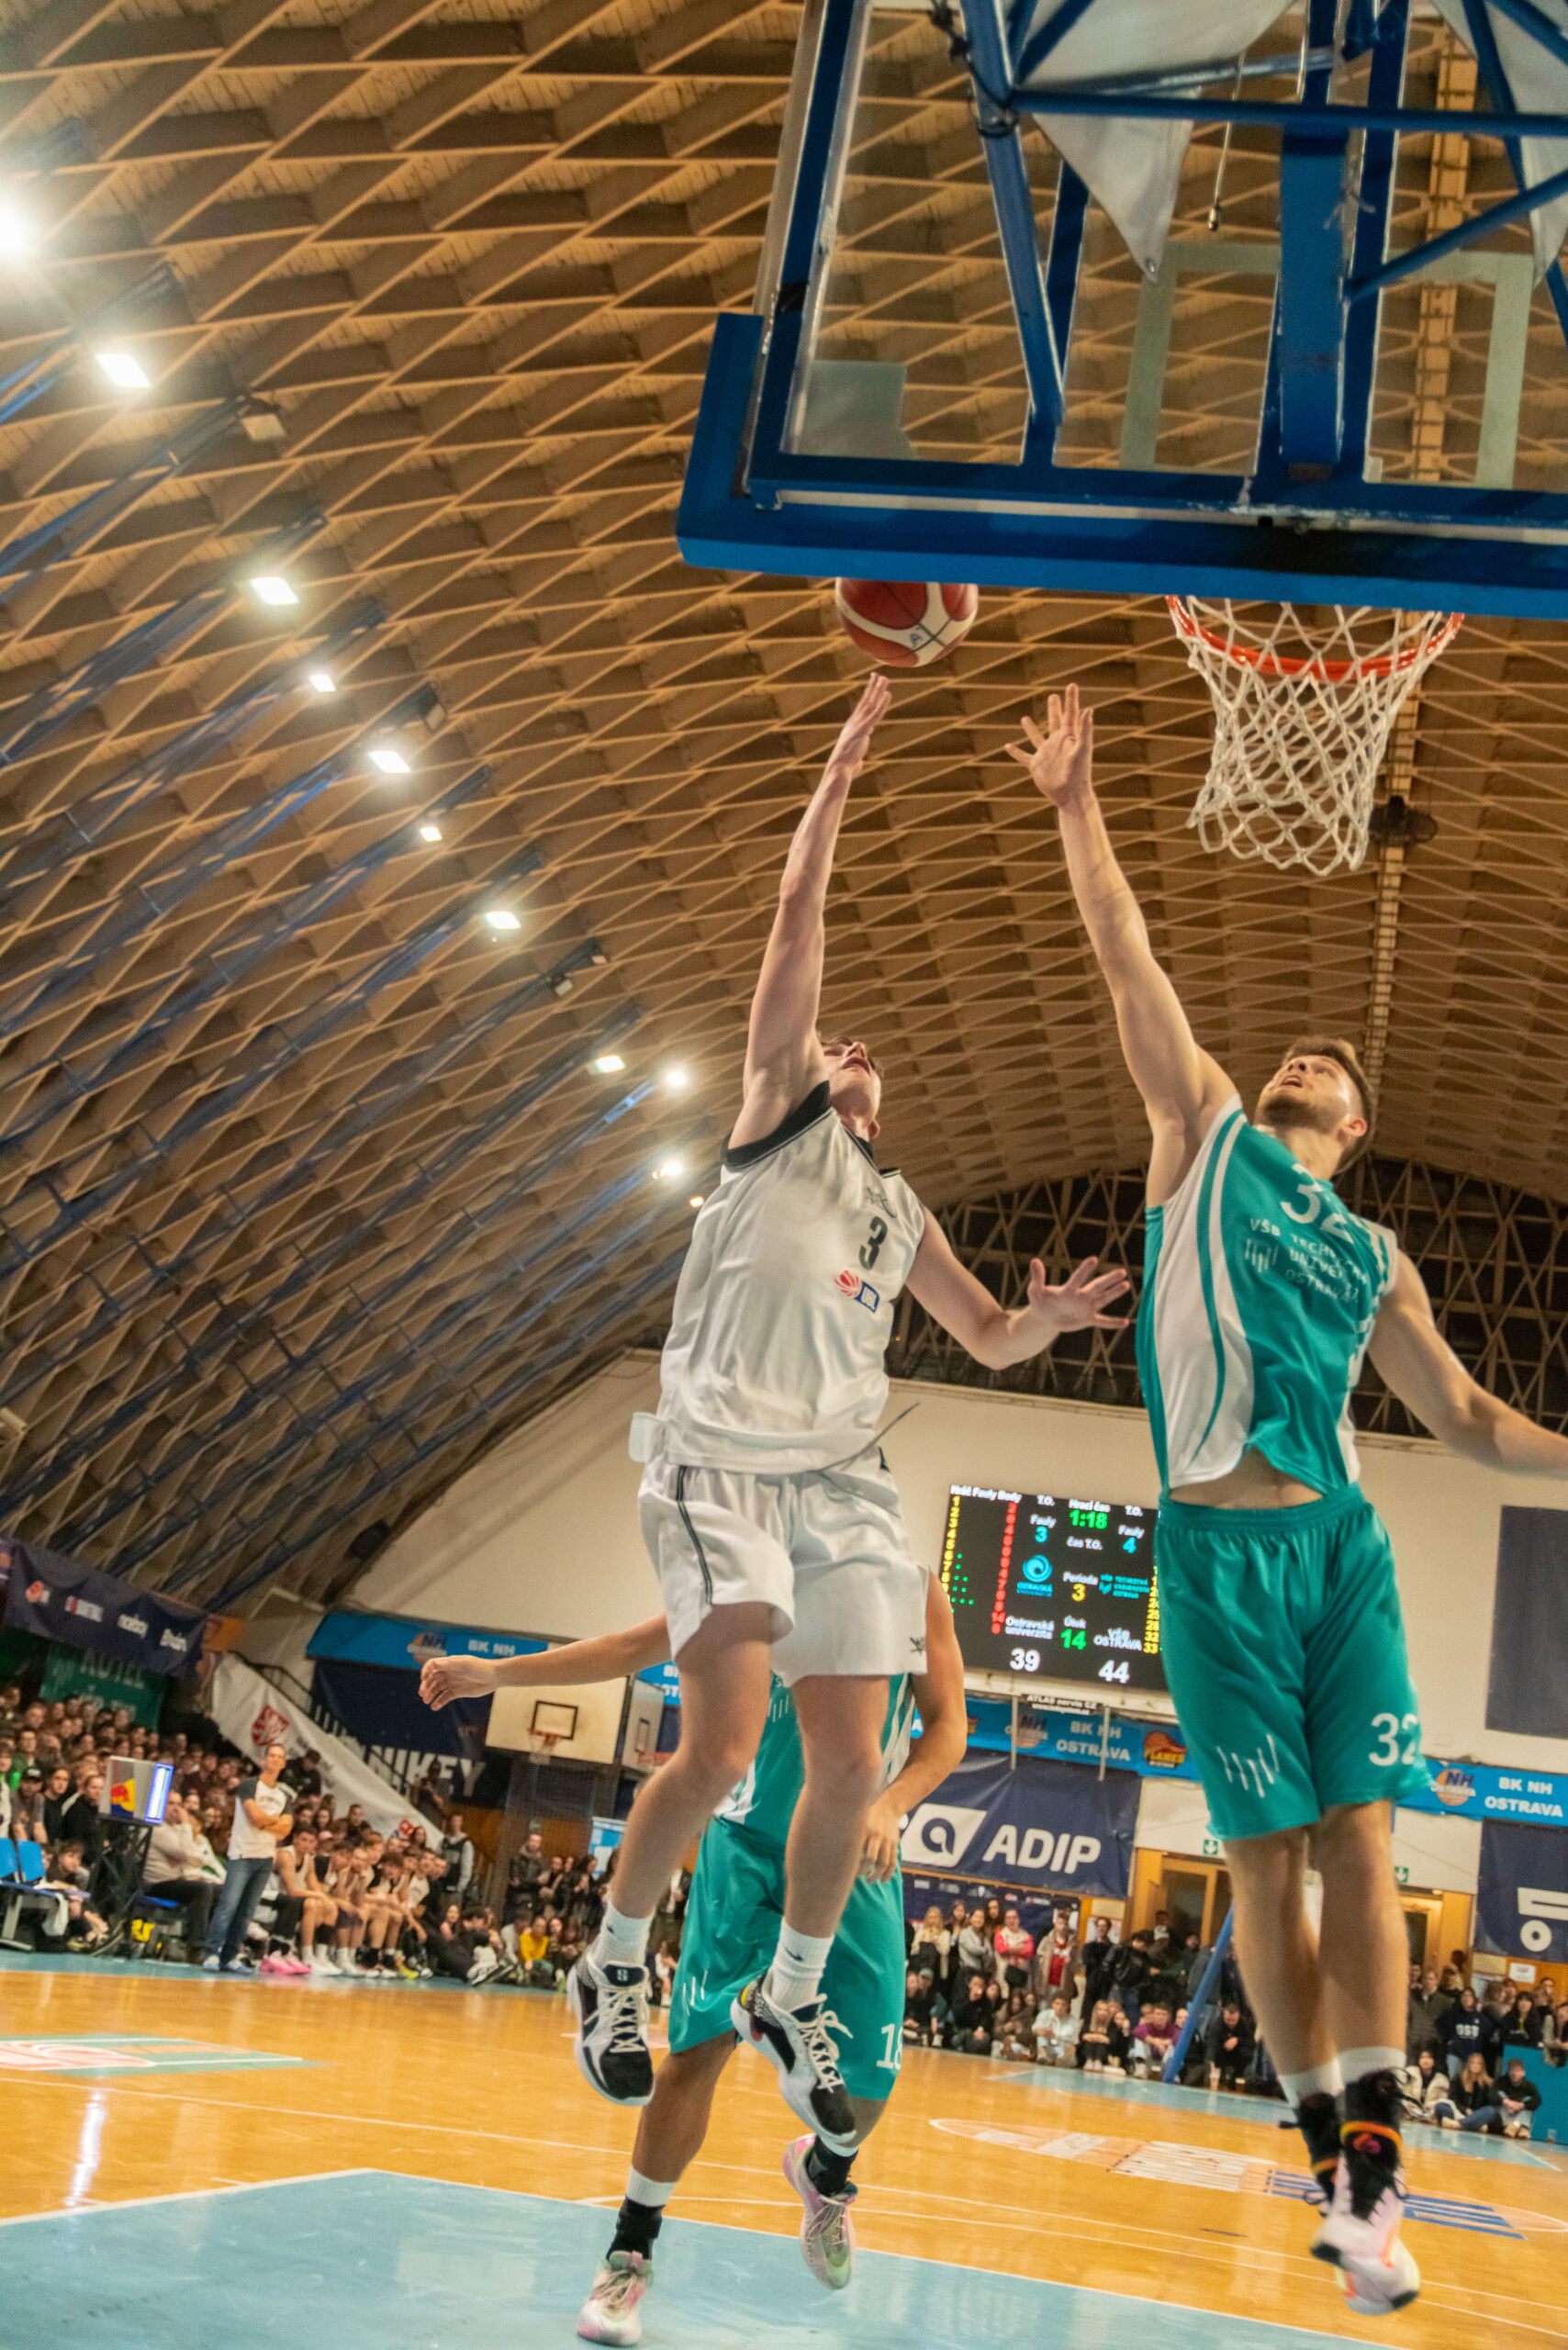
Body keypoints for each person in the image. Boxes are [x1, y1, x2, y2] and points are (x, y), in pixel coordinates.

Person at [1015, 680, 1568, 2319]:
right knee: (1265, 1867)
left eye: (1325, 1063)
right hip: (1209, 1554)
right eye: (1289, 1053)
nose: (1298, 1056)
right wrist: (1074, 810)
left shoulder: (1376, 1253)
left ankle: (1375, 2177)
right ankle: (1328, 2149)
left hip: (1338, 1553)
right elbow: (1129, 962)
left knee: (1363, 1839)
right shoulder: (1199, 1138)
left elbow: (1467, 1417)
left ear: (1358, 1124)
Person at [521, 677, 1128, 2144]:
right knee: (728, 1751)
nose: (853, 1048)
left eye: (869, 1054)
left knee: (853, 1762)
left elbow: (986, 1336)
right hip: (721, 1463)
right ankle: (612, 1962)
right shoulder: (771, 1126)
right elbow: (797, 921)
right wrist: (841, 773)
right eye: (838, 1043)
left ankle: (794, 1997)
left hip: (844, 1477)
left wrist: (1045, 1322)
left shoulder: (900, 1208)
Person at [425, 1569, 967, 2346]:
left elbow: (949, 1726)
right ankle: (629, 2253)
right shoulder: (752, 1572)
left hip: (853, 1857)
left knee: (866, 2095)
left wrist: (890, 1803)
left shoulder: (910, 1588)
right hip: (743, 1854)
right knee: (692, 2058)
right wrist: (497, 1675)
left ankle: (823, 2173)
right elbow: (632, 1646)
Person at [204, 1742, 294, 1972]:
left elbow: (286, 1829)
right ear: (264, 1760)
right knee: (228, 1905)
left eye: (279, 1756)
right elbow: (253, 1816)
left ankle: (230, 1956)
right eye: (271, 1755)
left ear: (283, 1763)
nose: (275, 1759)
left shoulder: (283, 1795)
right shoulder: (249, 1785)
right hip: (242, 1854)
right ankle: (212, 1952)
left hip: (265, 1858)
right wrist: (272, 1821)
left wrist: (265, 1822)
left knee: (246, 1911)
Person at [142, 1791, 220, 1955]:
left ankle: (214, 1944)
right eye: (171, 1804)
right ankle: (196, 1946)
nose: (177, 1809)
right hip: (156, 1884)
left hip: (175, 1880)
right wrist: (186, 1824)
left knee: (219, 1890)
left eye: (179, 1804)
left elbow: (194, 1857)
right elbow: (186, 1853)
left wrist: (181, 1857)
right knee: (201, 1889)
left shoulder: (174, 1829)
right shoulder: (158, 1828)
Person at [1204, 1999, 1257, 2092]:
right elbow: (1212, 2043)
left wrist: (1237, 2040)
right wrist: (1211, 2061)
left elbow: (1252, 2042)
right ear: (1223, 2016)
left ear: (1238, 2016)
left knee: (1246, 2054)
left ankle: (1234, 2082)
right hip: (1221, 2054)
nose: (1231, 2023)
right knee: (1214, 2057)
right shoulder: (1217, 2025)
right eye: (1228, 2020)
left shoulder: (1244, 2024)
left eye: (1234, 2020)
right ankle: (1220, 2080)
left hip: (1239, 2054)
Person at [993, 1907, 1035, 1993]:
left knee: (1020, 1997)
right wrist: (1020, 1947)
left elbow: (1029, 1951)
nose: (1011, 1920)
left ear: (1018, 1920)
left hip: (1021, 1974)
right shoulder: (1000, 1934)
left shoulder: (1026, 1935)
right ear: (1005, 1920)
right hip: (1004, 1974)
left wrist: (1009, 1948)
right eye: (1008, 1918)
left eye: (1014, 1917)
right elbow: (1002, 1950)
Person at [1035, 1992, 1079, 2068]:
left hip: (1063, 2047)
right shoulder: (1045, 2014)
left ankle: (1058, 2060)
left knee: (1068, 2052)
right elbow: (1035, 2027)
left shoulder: (1072, 2021)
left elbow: (1070, 2038)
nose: (1060, 2007)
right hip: (1048, 2047)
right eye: (1057, 2004)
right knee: (1041, 2036)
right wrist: (1042, 2031)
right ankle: (1042, 2057)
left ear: (1068, 2006)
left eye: (1063, 2005)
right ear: (1053, 2005)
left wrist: (1054, 2035)